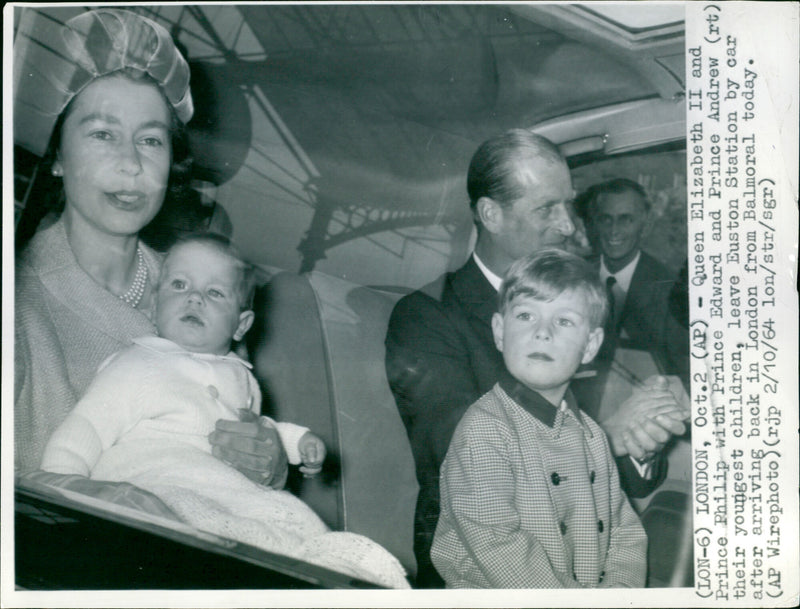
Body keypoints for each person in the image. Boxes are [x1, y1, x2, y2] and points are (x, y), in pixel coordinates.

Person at [385, 129, 688, 587]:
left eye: (569, 205)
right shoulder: (426, 318)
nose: (569, 226)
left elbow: (620, 497)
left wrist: (640, 443)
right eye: (547, 208)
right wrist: (608, 437)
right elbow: (463, 464)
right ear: (491, 214)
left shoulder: (575, 310)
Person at [14, 9, 286, 509]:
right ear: (56, 156)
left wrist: (267, 461)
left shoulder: (204, 289)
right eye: (102, 133)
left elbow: (226, 454)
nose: (132, 163)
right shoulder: (18, 305)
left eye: (151, 140)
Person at [35, 235, 409, 589]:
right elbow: (86, 425)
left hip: (229, 492)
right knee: (202, 526)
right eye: (180, 285)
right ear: (153, 303)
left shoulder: (240, 376)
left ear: (241, 325)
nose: (194, 299)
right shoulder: (137, 363)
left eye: (214, 293)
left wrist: (298, 442)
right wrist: (60, 485)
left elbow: (257, 427)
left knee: (298, 523)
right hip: (158, 487)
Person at [431, 249, 647, 588]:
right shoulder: (484, 430)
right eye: (526, 316)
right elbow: (497, 543)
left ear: (590, 346)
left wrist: (619, 592)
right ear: (500, 331)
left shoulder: (592, 434)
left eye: (563, 321)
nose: (542, 332)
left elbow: (624, 531)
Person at [580, 178, 690, 387]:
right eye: (606, 219)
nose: (614, 230)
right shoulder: (574, 276)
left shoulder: (670, 289)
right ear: (595, 222)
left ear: (645, 225)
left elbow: (685, 374)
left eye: (626, 220)